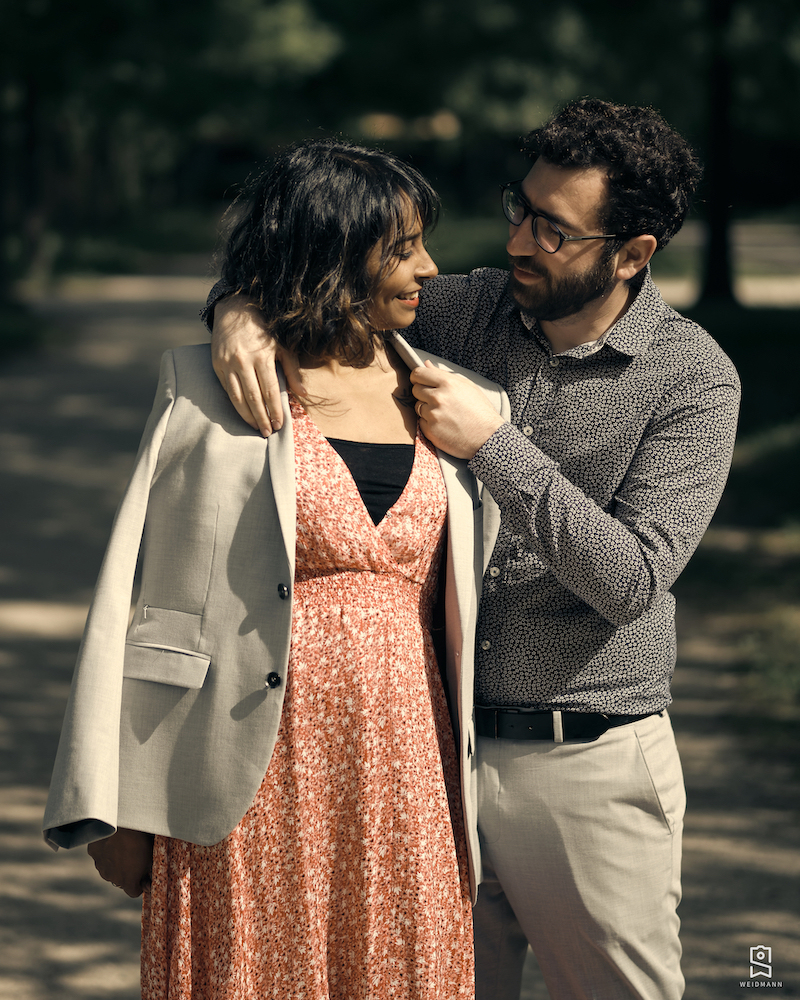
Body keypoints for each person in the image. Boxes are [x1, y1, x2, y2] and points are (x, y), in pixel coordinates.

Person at [206, 100, 741, 1000]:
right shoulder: (461, 310)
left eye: (555, 230)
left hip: (587, 764)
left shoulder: (692, 380)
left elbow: (635, 580)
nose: (519, 240)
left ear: (633, 253)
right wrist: (239, 311)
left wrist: (497, 446)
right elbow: (321, 281)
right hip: (429, 756)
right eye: (519, 208)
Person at [42, 138, 510, 1000]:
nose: (431, 268)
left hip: (407, 764)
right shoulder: (204, 386)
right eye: (402, 247)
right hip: (240, 766)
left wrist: (234, 301)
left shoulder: (453, 390)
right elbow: (136, 596)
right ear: (333, 251)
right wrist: (112, 792)